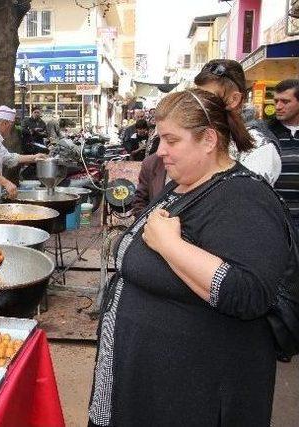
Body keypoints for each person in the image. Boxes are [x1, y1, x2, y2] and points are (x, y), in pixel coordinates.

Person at [88, 89, 290, 426]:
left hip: (193, 395)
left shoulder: (245, 197)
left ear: (209, 140)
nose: (160, 151)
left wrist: (171, 245)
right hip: (153, 384)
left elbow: (250, 293)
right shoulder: (184, 184)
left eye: (171, 140)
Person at [194, 59, 281, 185]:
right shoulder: (205, 133)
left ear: (234, 100)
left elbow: (244, 198)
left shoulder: (260, 147)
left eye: (207, 98)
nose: (198, 105)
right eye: (197, 96)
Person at [268, 79, 299, 230]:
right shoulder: (265, 133)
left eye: (285, 101)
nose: (278, 106)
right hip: (275, 220)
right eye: (276, 101)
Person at [130, 152, 166, 217]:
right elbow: (139, 201)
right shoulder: (151, 163)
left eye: (172, 142)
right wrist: (149, 221)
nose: (161, 149)